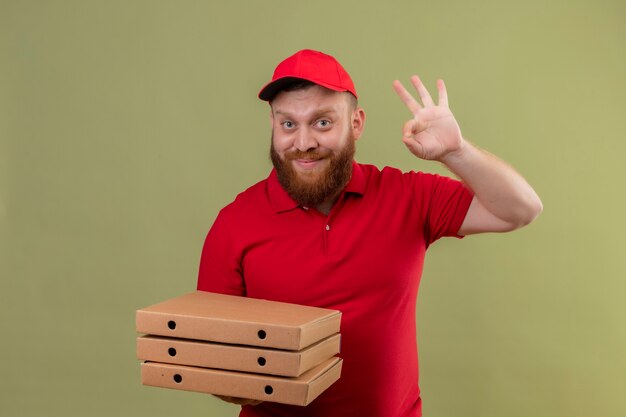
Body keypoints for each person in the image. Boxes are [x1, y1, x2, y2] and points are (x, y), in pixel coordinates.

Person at [197, 49, 542, 417]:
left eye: (323, 123)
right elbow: (212, 354)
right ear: (273, 126)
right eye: (288, 124)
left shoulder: (406, 195)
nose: (303, 143)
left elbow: (520, 209)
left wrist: (455, 152)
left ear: (357, 123)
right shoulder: (235, 222)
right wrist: (232, 385)